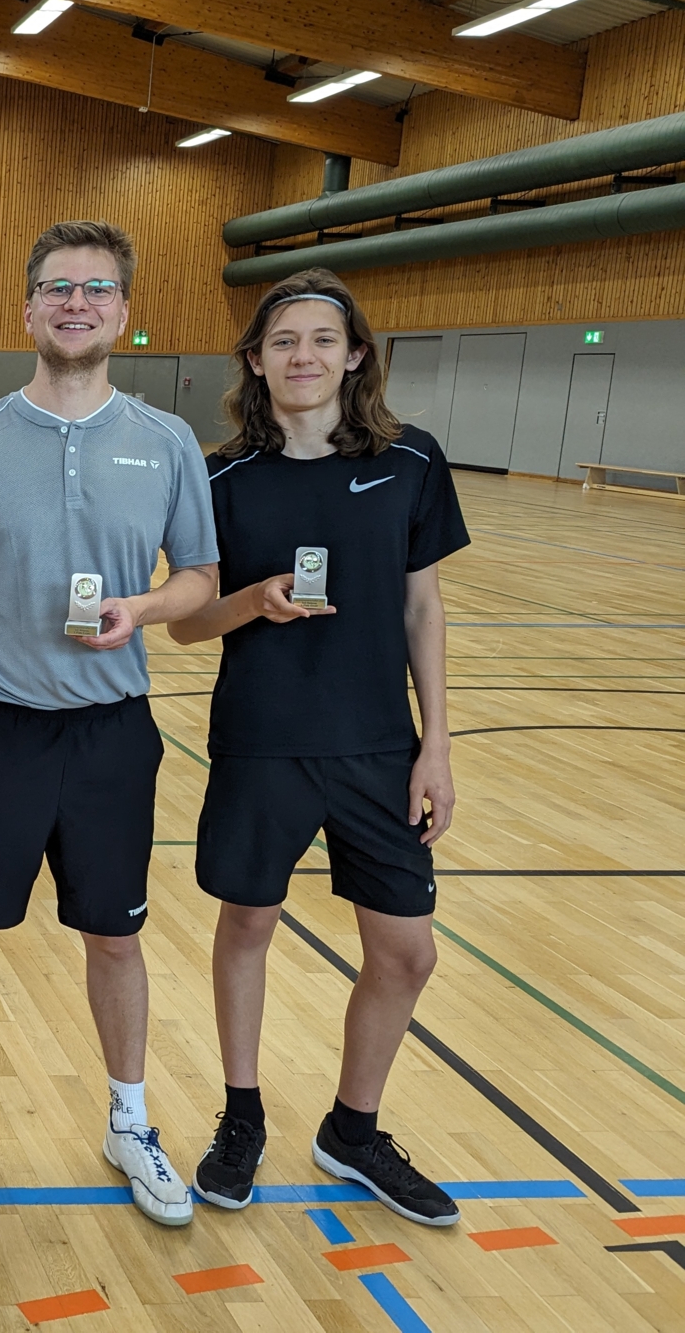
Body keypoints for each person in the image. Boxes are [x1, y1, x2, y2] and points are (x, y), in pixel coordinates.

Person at [0, 221, 219, 1226]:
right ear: (28, 309)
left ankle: (129, 1120)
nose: (76, 302)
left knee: (115, 941)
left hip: (114, 738)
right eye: (57, 288)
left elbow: (202, 581)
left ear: (123, 312)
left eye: (96, 288)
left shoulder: (166, 443)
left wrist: (147, 609)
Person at [171, 267, 468, 1226]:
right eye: (283, 342)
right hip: (263, 742)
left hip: (381, 748)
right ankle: (243, 1114)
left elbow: (424, 606)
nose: (304, 357)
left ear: (354, 355)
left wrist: (438, 746)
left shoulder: (412, 460)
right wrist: (251, 602)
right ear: (255, 362)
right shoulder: (219, 476)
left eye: (322, 341)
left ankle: (353, 1128)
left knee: (406, 952)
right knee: (248, 926)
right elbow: (186, 625)